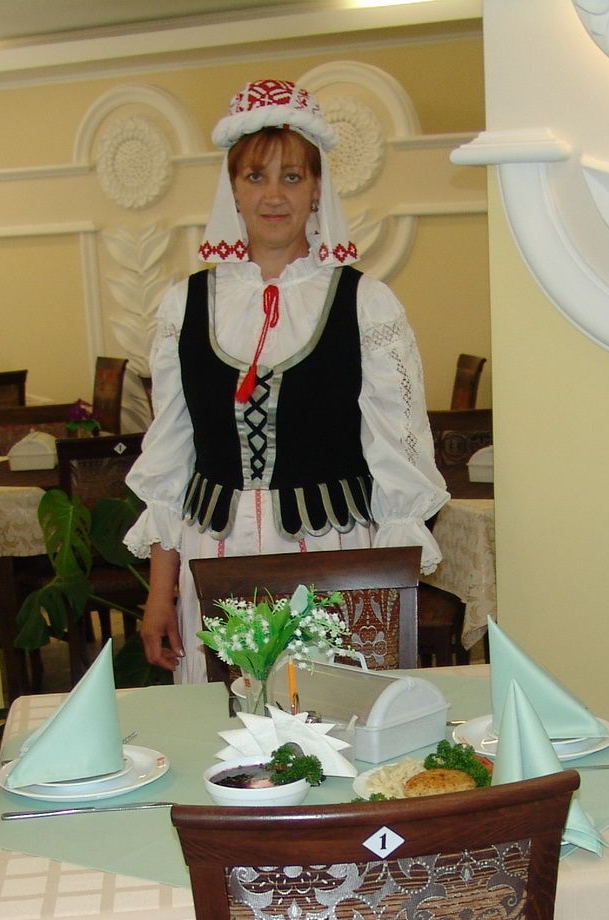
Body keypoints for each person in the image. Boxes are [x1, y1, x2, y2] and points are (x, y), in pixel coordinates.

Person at [124, 79, 448, 683]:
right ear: (233, 188)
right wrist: (159, 594)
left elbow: (399, 466)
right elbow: (170, 463)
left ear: (317, 188)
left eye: (292, 177)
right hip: (211, 557)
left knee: (327, 716)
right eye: (256, 177)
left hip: (331, 559)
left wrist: (381, 603)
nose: (274, 195)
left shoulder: (366, 305)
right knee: (224, 720)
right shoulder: (183, 305)